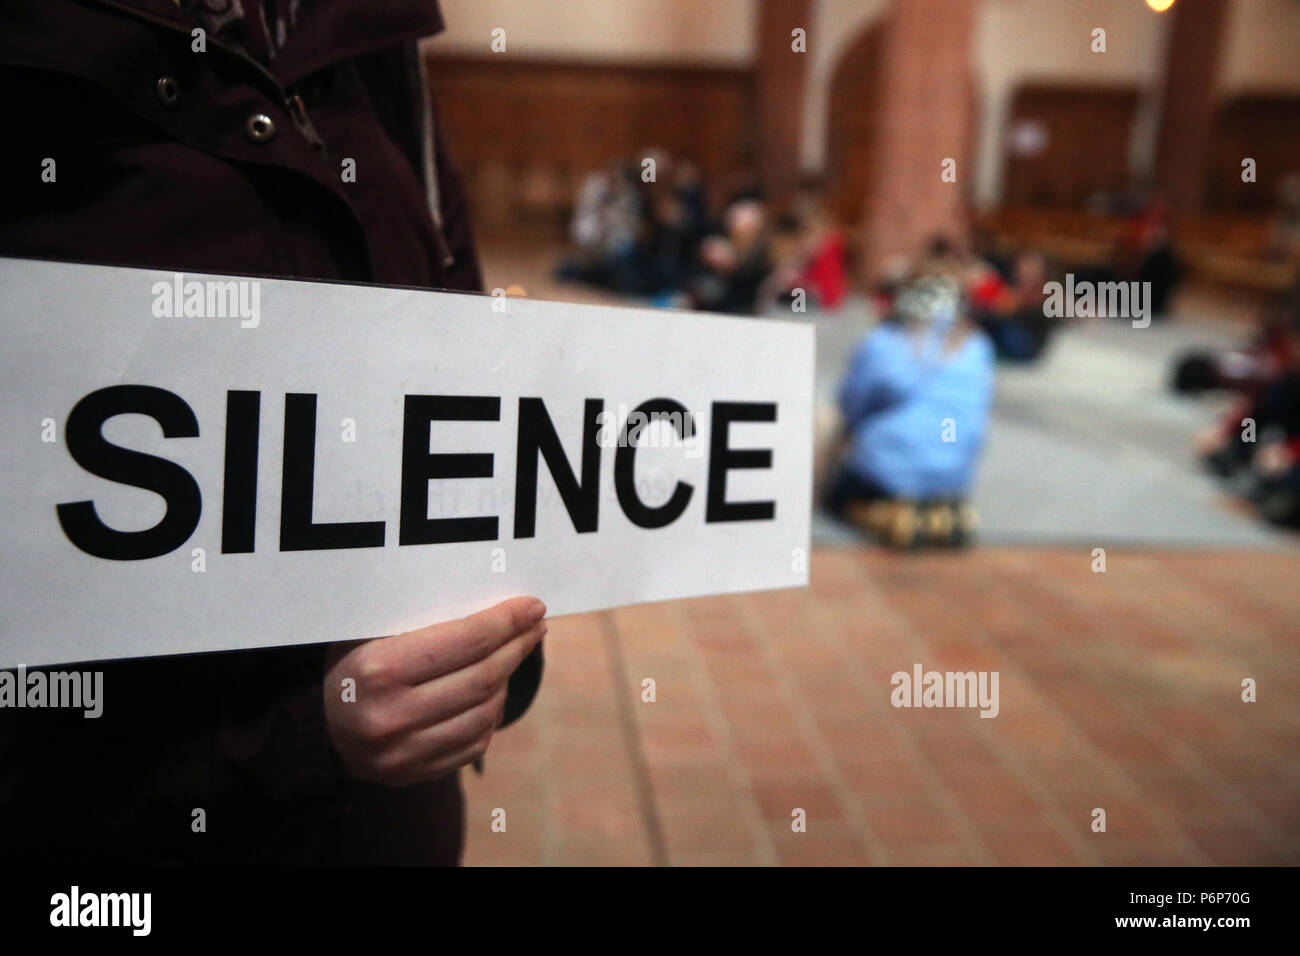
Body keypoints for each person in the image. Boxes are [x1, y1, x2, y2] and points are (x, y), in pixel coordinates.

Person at [0, 0, 543, 865]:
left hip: (389, 826)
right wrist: (282, 740)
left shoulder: (373, 35)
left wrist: (486, 627)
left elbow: (461, 349)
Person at [826, 275, 995, 547]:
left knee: (837, 493)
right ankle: (940, 515)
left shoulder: (885, 341)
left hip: (884, 471)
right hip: (955, 474)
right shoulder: (979, 346)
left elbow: (851, 404)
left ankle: (882, 513)